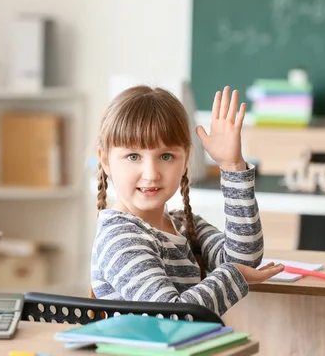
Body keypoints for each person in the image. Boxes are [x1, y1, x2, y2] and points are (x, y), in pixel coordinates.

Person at [91, 85, 284, 316]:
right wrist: (236, 275)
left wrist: (232, 166)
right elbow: (171, 317)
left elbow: (244, 257)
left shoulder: (184, 225)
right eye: (133, 156)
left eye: (166, 156)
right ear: (105, 161)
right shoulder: (120, 238)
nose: (151, 173)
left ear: (185, 160)